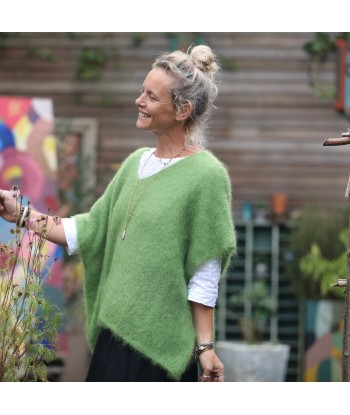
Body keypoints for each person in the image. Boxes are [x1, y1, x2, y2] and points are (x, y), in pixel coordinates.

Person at [0, 44, 236, 382]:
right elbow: (87, 231)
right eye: (142, 90)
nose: (139, 101)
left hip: (162, 350)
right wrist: (20, 214)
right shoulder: (134, 164)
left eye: (152, 97)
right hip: (114, 338)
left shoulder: (208, 176)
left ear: (182, 109)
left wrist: (205, 347)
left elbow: (204, 271)